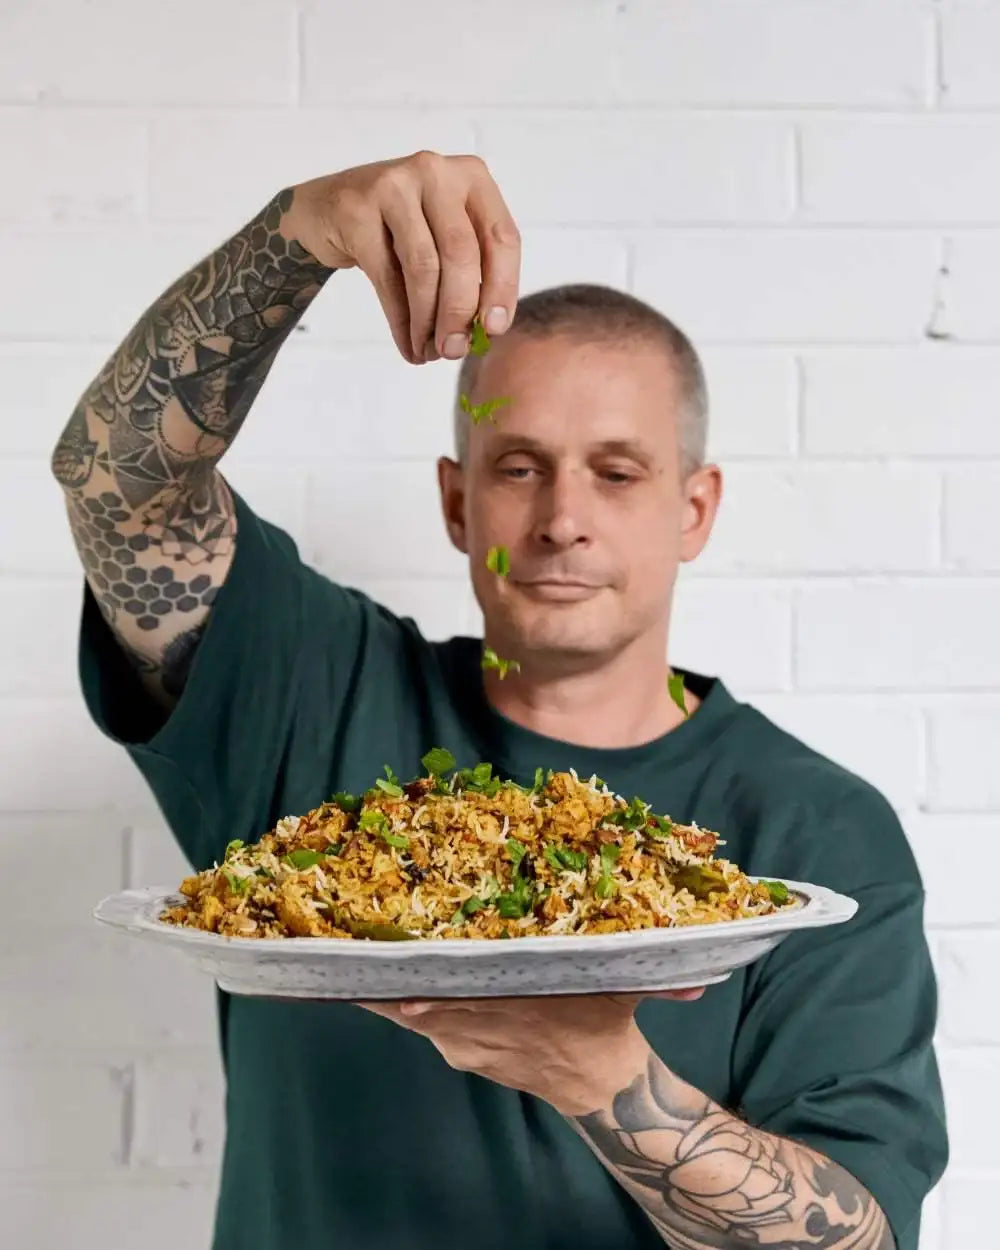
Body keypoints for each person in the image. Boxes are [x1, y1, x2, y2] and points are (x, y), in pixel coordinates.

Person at [51, 151, 947, 1250]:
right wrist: (297, 234)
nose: (564, 516)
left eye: (617, 472)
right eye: (519, 466)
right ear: (456, 499)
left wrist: (597, 1073)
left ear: (694, 508)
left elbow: (859, 1236)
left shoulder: (815, 829)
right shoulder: (314, 697)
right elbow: (118, 483)